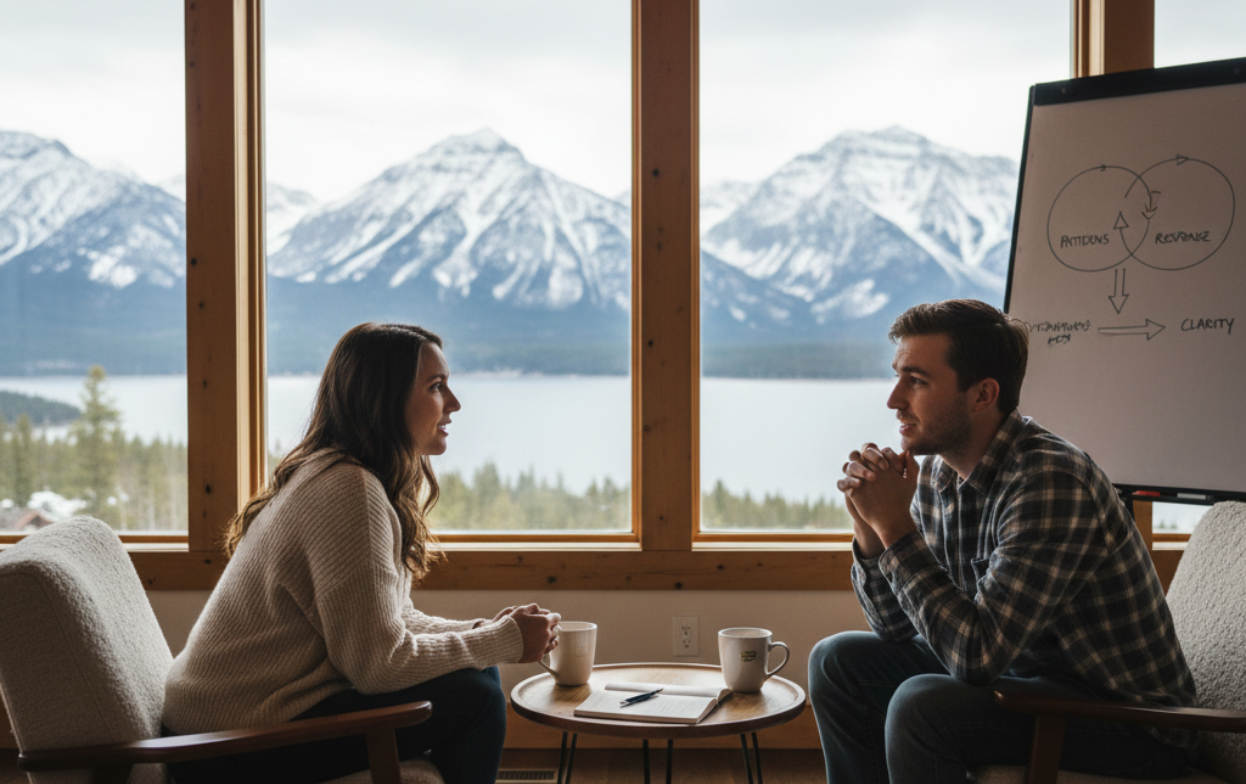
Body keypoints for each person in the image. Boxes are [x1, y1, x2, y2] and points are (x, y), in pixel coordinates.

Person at [808, 300, 1196, 783]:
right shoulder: (935, 476)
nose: (893, 399)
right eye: (897, 376)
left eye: (917, 381)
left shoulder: (1049, 481)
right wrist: (868, 525)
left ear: (982, 394)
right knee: (837, 661)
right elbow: (894, 625)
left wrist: (895, 528)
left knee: (921, 706)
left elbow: (975, 657)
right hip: (1023, 682)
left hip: (1128, 723)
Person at [163, 323, 560, 784]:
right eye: (436, 387)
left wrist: (486, 632)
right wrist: (505, 640)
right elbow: (377, 665)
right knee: (476, 695)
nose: (453, 403)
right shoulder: (348, 490)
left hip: (231, 727)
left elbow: (388, 620)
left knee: (480, 672)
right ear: (384, 398)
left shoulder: (336, 473)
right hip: (224, 747)